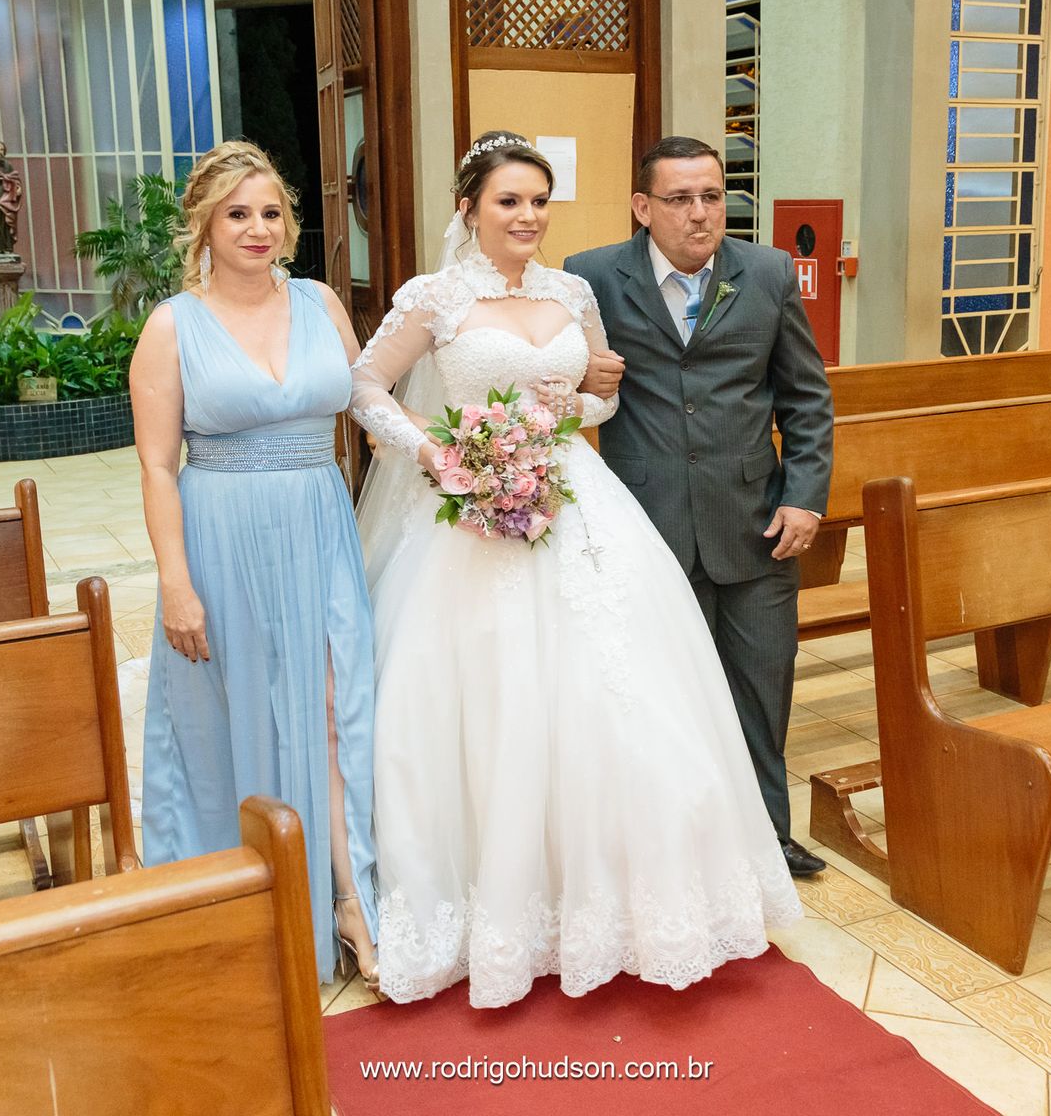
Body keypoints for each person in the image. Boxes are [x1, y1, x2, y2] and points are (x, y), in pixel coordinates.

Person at [350, 131, 800, 1009]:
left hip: (573, 499)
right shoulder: (434, 298)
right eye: (508, 201)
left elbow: (603, 398)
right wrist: (440, 455)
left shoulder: (573, 291)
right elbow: (365, 384)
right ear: (470, 210)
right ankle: (500, 901)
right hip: (470, 523)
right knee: (494, 702)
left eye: (539, 201)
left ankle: (619, 901)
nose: (527, 217)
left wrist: (575, 401)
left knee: (614, 693)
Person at [129, 141, 380, 989]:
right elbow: (158, 465)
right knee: (235, 714)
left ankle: (350, 899)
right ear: (203, 223)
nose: (257, 228)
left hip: (318, 523)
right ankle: (247, 901)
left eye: (271, 213)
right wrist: (175, 583)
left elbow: (372, 406)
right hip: (221, 536)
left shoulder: (320, 304)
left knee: (334, 702)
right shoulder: (173, 325)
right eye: (238, 213)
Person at [564, 137, 837, 880]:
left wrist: (805, 498)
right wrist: (581, 374)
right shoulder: (590, 278)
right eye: (680, 199)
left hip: (754, 523)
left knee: (759, 687)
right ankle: (674, 848)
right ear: (643, 207)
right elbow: (565, 390)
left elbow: (807, 399)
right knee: (658, 699)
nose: (700, 214)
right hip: (644, 528)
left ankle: (768, 838)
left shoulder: (769, 272)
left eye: (712, 196)